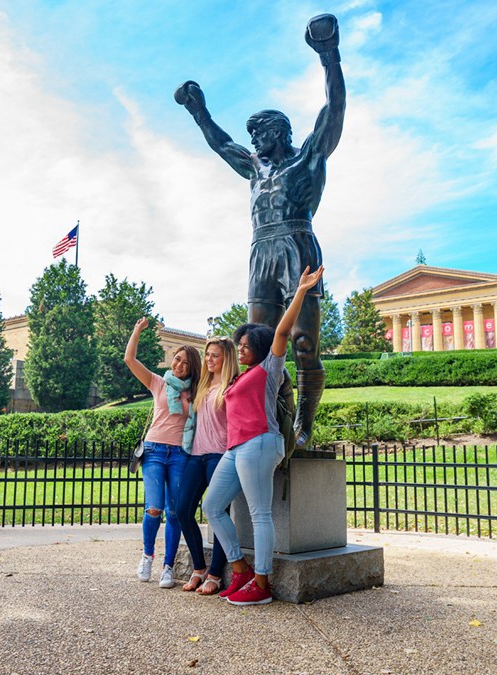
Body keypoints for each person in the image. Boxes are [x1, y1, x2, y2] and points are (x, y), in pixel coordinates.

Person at [174, 14, 345, 450]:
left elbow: (334, 110)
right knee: (253, 345)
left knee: (304, 343)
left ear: (280, 131)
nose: (253, 140)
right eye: (250, 134)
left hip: (297, 244)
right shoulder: (254, 168)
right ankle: (271, 420)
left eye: (260, 133)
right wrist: (199, 111)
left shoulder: (307, 157)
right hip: (261, 253)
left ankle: (303, 428)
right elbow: (220, 143)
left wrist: (329, 55)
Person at [203, 266, 324, 606]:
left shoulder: (269, 369)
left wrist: (300, 290)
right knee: (212, 505)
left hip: (260, 442)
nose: (240, 350)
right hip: (236, 447)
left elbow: (282, 332)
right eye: (238, 345)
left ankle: (262, 582)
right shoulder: (237, 379)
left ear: (258, 346)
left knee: (259, 514)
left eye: (244, 345)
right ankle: (239, 569)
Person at [124, 318, 201, 589]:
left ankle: (168, 567)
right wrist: (137, 330)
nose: (179, 365)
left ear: (192, 368)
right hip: (155, 451)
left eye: (185, 363)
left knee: (175, 512)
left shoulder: (195, 391)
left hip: (180, 454)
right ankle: (147, 557)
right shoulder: (158, 383)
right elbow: (130, 359)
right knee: (154, 508)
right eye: (177, 360)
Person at [176, 336, 237, 596]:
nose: (210, 359)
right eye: (208, 354)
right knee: (182, 511)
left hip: (219, 456)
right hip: (195, 455)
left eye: (215, 355)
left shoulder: (232, 385)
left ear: (227, 358)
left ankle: (215, 574)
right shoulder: (202, 384)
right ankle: (199, 568)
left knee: (217, 513)